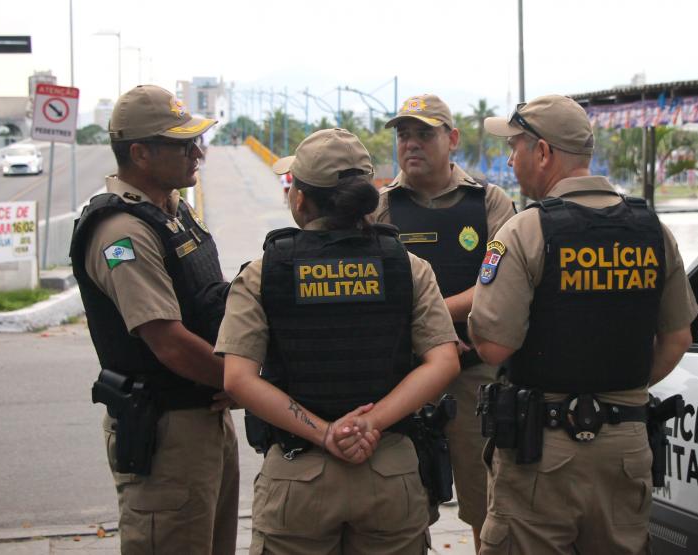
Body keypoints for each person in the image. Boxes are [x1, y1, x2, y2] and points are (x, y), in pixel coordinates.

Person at [468, 95, 698, 554]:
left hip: (543, 454)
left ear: (544, 153)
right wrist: (619, 385)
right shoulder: (651, 229)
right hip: (627, 449)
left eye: (515, 146)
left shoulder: (525, 230)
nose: (510, 159)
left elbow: (493, 347)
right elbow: (677, 338)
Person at [216, 128, 461, 554]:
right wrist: (372, 422)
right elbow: (443, 362)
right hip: (390, 473)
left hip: (298, 477)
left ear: (299, 199)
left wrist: (327, 432)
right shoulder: (409, 267)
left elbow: (237, 379)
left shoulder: (263, 272)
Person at [69, 84, 239, 554]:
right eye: (183, 145)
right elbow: (168, 342)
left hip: (204, 418)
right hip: (168, 433)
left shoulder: (171, 211)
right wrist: (246, 382)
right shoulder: (121, 231)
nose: (198, 154)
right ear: (141, 153)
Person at [373, 94, 515, 548]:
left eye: (424, 134)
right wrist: (433, 342)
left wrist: (429, 323)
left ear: (451, 139)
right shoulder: (380, 208)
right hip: (403, 382)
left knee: (488, 506)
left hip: (477, 379)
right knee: (399, 509)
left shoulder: (489, 202)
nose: (410, 144)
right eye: (403, 135)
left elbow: (499, 288)